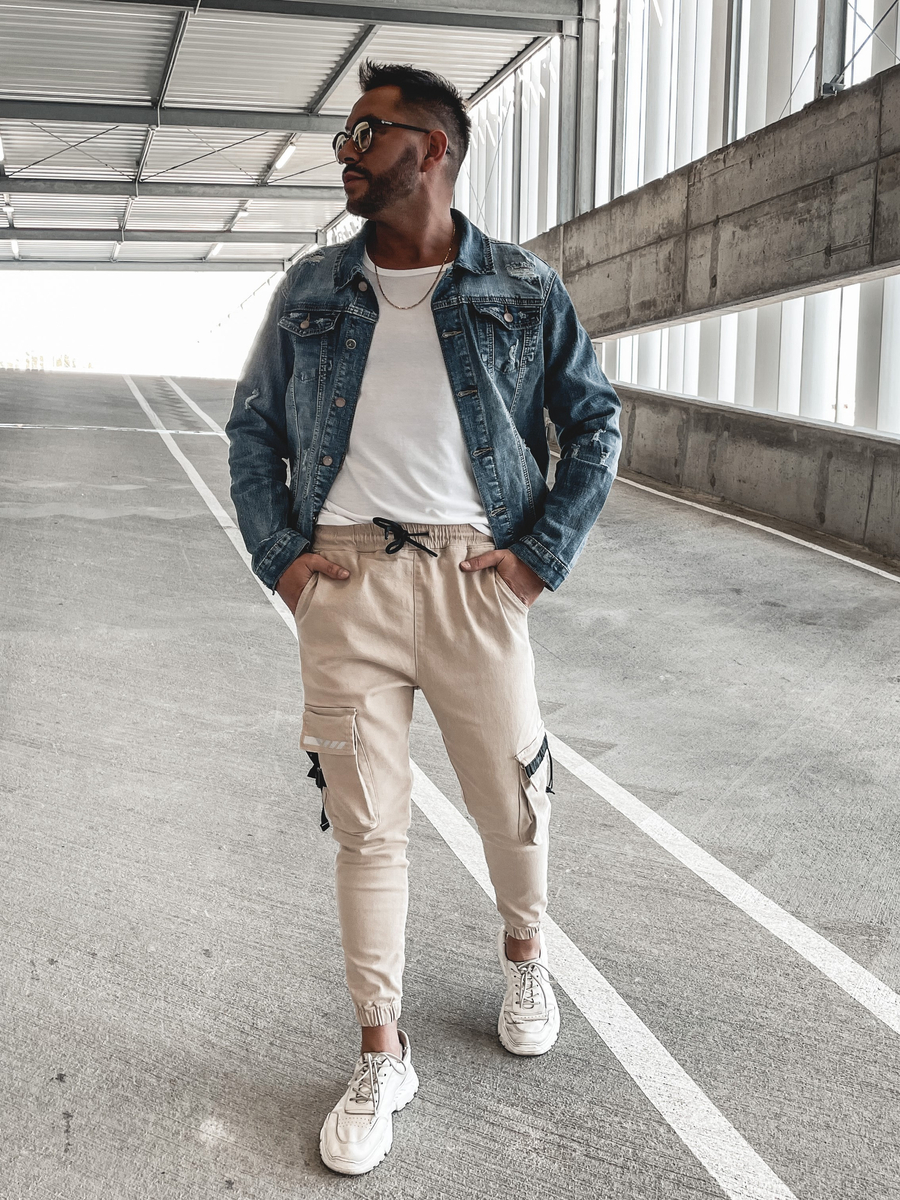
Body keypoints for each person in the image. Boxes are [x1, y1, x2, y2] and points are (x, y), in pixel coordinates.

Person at [226, 59, 621, 1176]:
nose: (345, 153)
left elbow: (596, 423)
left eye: (367, 133)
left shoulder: (524, 287)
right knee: (366, 828)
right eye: (344, 135)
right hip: (345, 584)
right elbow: (254, 428)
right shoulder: (311, 287)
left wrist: (537, 561)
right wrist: (284, 562)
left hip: (473, 582)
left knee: (512, 801)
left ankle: (524, 953)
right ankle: (380, 1050)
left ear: (431, 149)